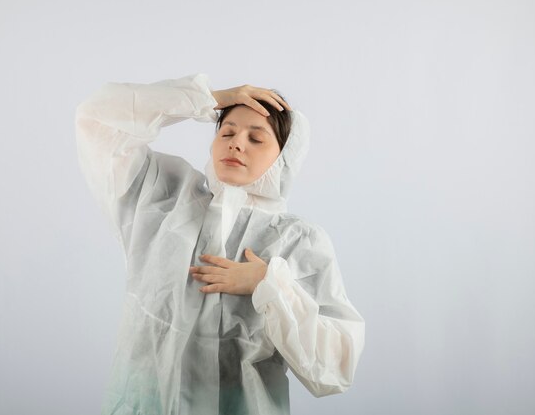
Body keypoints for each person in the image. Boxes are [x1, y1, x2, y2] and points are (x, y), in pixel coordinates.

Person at [75, 72, 365, 415]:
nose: (236, 143)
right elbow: (97, 120)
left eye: (256, 139)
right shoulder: (163, 199)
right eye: (227, 132)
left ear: (283, 158)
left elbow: (337, 368)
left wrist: (269, 284)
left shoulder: (298, 243)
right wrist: (208, 98)